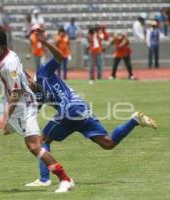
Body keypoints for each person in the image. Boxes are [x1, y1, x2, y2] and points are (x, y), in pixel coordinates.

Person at [24, 28, 158, 187]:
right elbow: (31, 113)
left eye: (26, 84)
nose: (28, 88)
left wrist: (44, 42)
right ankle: (134, 120)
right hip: (81, 108)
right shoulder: (37, 94)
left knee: (42, 141)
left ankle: (45, 179)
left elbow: (60, 56)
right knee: (108, 143)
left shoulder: (42, 73)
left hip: (71, 108)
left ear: (28, 77)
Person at [0, 24, 74, 193]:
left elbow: (16, 92)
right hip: (7, 104)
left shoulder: (9, 63)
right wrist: (28, 80)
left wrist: (6, 117)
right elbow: (22, 76)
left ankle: (65, 179)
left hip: (22, 107)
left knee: (35, 147)